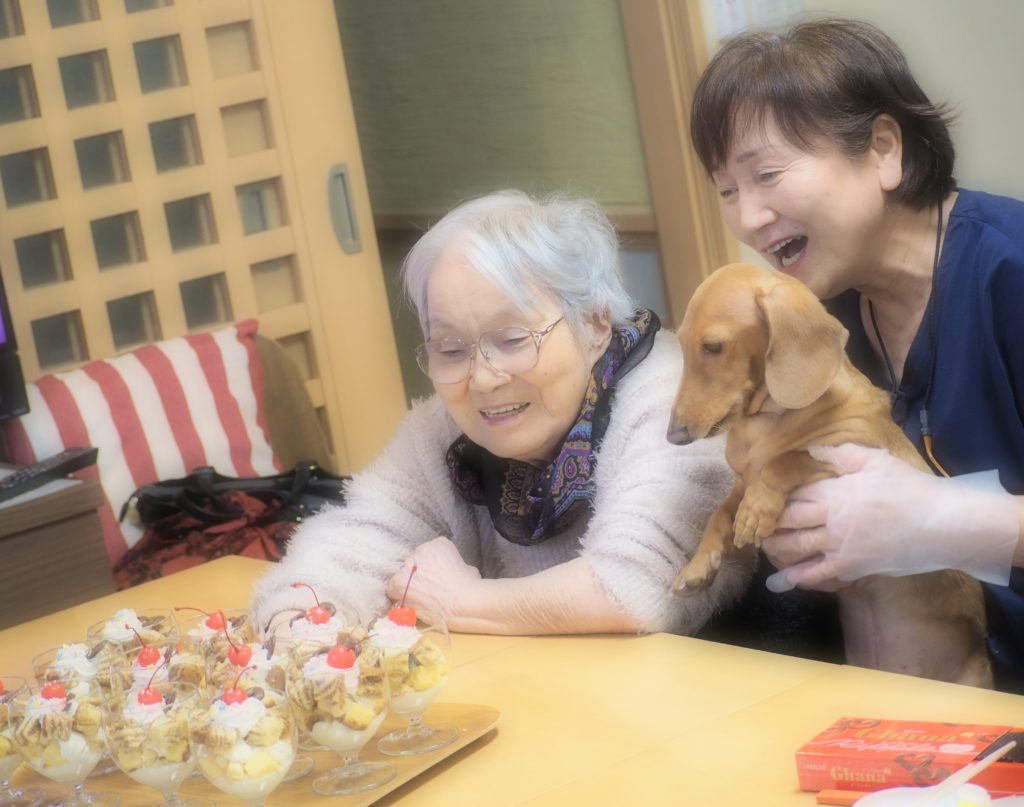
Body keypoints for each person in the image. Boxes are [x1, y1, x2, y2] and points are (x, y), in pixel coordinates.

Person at [688, 17, 1024, 690]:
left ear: (882, 149)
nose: (748, 218)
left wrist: (942, 521)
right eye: (727, 189)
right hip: (933, 697)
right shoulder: (822, 317)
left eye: (767, 174)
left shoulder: (1008, 270)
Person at [250, 189, 750, 638]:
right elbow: (359, 537)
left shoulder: (674, 400)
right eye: (450, 349)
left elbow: (634, 588)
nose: (484, 379)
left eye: (512, 339)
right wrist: (297, 619)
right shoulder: (445, 428)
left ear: (596, 323)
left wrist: (461, 601)